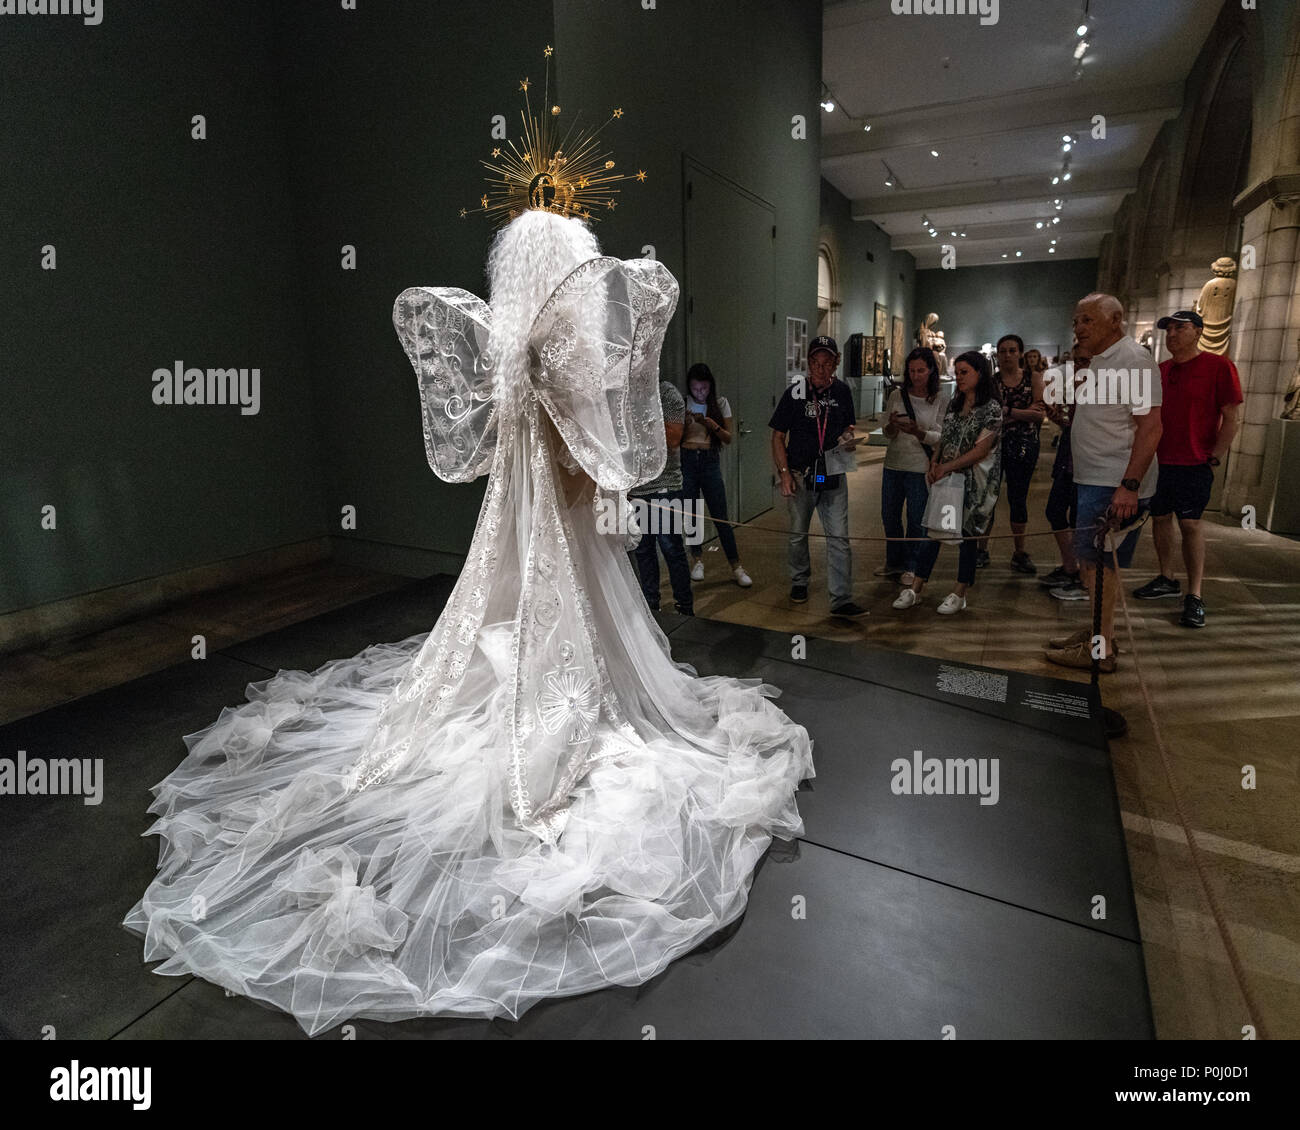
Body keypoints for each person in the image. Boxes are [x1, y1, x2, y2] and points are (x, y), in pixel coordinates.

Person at [125, 205, 814, 1035]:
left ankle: (523, 690)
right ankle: (558, 712)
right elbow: (589, 455)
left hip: (514, 520)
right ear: (570, 270)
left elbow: (505, 446)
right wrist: (610, 496)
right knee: (581, 638)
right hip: (560, 517)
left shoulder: (508, 353)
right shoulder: (560, 357)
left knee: (507, 616)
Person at [1045, 293, 1162, 671]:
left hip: (1113, 482)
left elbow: (1151, 427)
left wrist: (1129, 485)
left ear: (1116, 321)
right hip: (1097, 478)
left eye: (1087, 320)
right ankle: (1099, 633)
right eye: (1076, 321)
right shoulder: (1102, 360)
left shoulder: (1134, 361)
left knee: (1099, 565)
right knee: (1093, 563)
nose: (1078, 328)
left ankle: (1102, 649)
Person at [1133, 310, 1242, 628]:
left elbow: (1231, 416)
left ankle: (1195, 594)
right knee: (1161, 518)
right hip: (1160, 460)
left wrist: (1215, 457)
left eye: (1180, 329)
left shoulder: (1218, 366)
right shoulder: (1161, 370)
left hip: (1194, 461)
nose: (1172, 335)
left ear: (1197, 332)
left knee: (1191, 525)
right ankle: (1166, 576)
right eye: (1169, 331)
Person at [893, 351, 1002, 614]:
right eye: (958, 372)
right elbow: (945, 437)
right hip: (948, 477)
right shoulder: (956, 404)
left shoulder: (991, 409)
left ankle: (960, 591)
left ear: (979, 373)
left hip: (974, 481)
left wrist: (945, 467)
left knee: (967, 535)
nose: (959, 377)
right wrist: (935, 462)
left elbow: (982, 449)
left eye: (965, 372)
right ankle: (917, 587)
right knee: (935, 530)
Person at [769, 335, 868, 618]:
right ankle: (799, 580)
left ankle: (841, 599)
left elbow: (849, 425)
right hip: (801, 475)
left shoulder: (843, 392)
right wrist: (784, 473)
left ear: (836, 363)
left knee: (839, 537)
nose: (820, 369)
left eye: (827, 363)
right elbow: (777, 436)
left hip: (833, 474)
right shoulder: (795, 393)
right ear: (808, 363)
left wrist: (848, 437)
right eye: (815, 363)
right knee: (798, 534)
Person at [877, 347, 950, 584]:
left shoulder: (940, 399)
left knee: (916, 518)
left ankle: (912, 565)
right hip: (894, 464)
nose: (916, 375)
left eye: (921, 370)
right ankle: (893, 561)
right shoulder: (897, 396)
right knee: (890, 516)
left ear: (931, 371)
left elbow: (940, 437)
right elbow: (888, 434)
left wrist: (917, 431)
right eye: (912, 371)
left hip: (919, 466)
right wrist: (892, 426)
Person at [977, 334, 1045, 574]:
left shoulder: (1033, 378)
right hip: (993, 446)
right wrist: (1022, 412)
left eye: (1012, 350)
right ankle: (981, 549)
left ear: (1020, 353)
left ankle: (1019, 551)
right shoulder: (991, 382)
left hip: (1024, 444)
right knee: (988, 498)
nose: (1007, 355)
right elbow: (987, 415)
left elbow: (1039, 413)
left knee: (1018, 498)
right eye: (1003, 351)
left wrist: (1007, 411)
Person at [681, 362, 752, 587]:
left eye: (704, 388)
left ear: (710, 386)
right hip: (688, 461)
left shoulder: (720, 404)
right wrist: (685, 423)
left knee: (721, 516)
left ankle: (736, 566)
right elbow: (674, 439)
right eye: (695, 389)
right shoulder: (683, 403)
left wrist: (711, 424)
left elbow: (729, 438)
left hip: (710, 462)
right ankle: (697, 560)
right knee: (691, 514)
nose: (700, 393)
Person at [627, 379, 695, 615]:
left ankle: (684, 606)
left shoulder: (667, 394)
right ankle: (650, 604)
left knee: (671, 548)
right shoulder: (626, 393)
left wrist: (633, 424)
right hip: (636, 486)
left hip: (665, 485)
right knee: (643, 550)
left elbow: (673, 437)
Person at [1041, 344, 1089, 601]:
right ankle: (1071, 567)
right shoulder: (1074, 386)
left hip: (1088, 466)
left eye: (1085, 360)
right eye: (1077, 361)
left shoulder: (1102, 389)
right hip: (1068, 462)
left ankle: (1084, 579)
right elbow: (1072, 426)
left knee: (1081, 521)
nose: (1080, 366)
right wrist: (1059, 420)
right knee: (1055, 511)